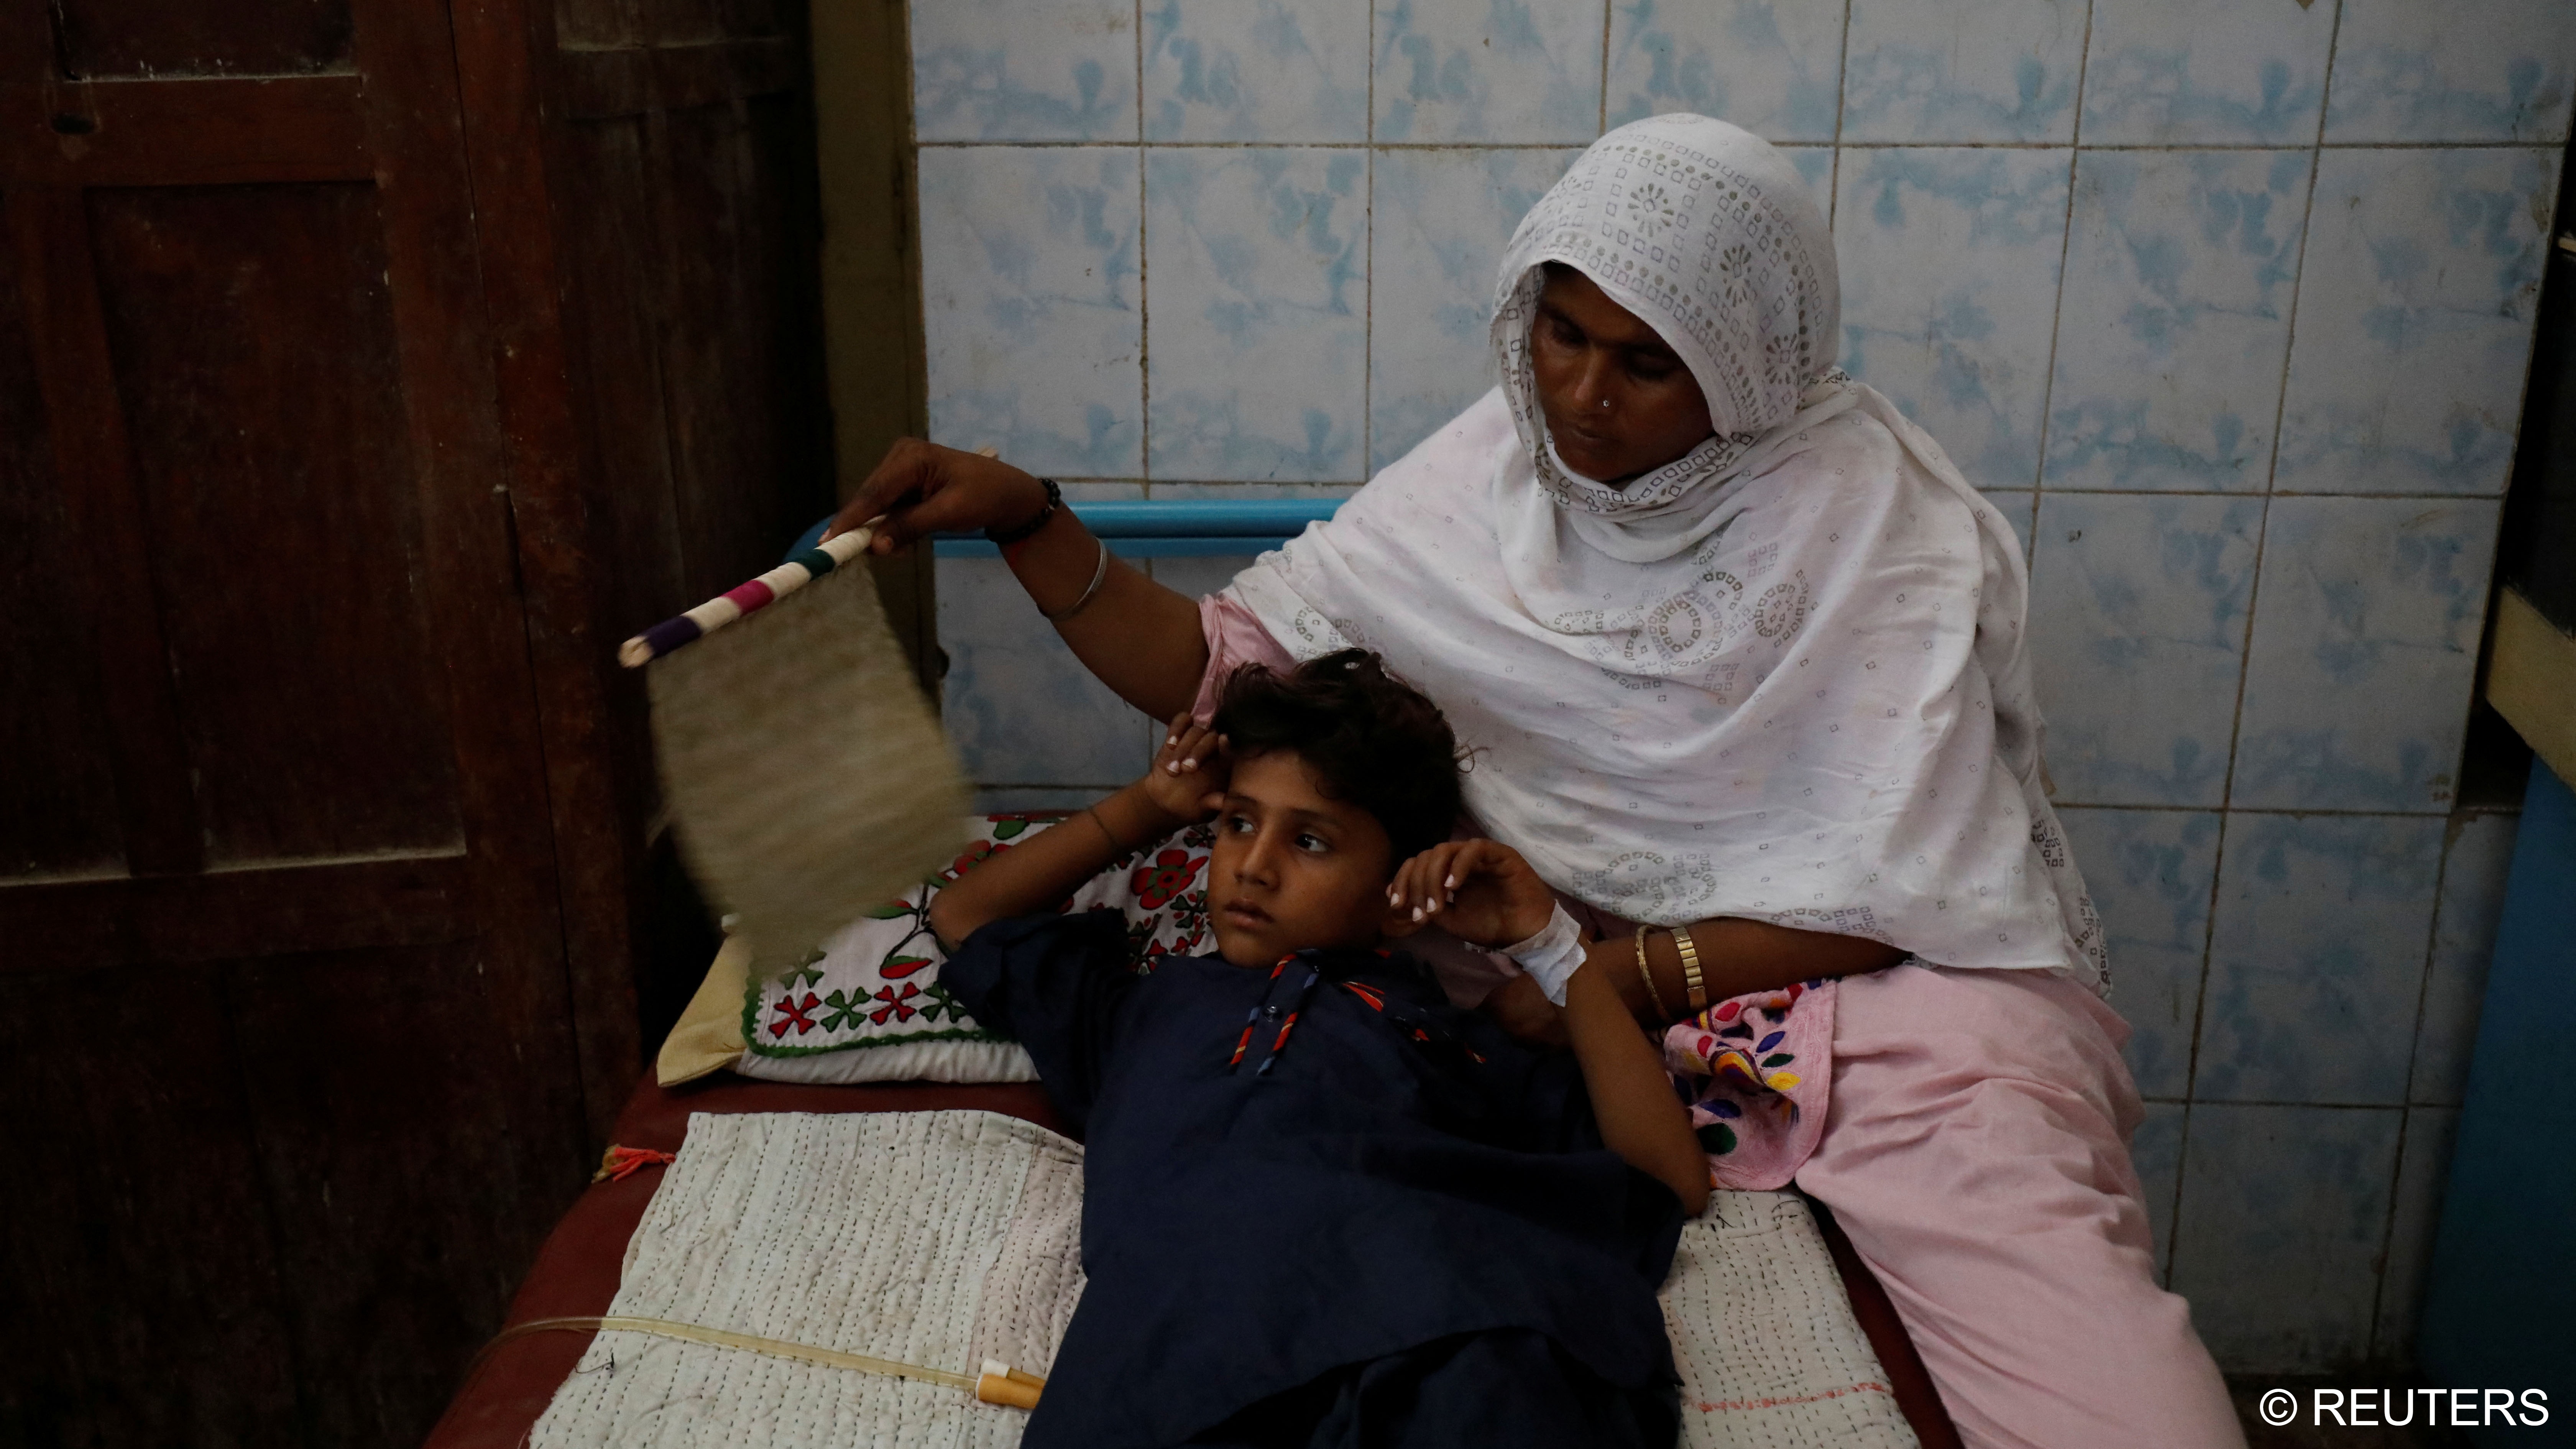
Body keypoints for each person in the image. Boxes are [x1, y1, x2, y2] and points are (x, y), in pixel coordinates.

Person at [843, 113, 2244, 1448]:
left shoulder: (1883, 527)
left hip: (1884, 1002)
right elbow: (1228, 678)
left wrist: (1609, 978)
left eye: (1646, 363)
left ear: (1748, 365)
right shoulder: (1486, 481)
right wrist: (1027, 518)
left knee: (2112, 1395)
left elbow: (1916, 891)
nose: (1581, 395)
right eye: (1562, 335)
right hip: (1541, 986)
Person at [928, 650, 1703, 1448]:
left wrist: (1552, 949)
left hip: (1435, 1312)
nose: (1253, 868)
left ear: (1400, 900)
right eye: (1236, 824)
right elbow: (965, 916)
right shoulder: (1143, 1008)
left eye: (1311, 843)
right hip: (1179, 1337)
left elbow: (1667, 1181)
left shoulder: (1451, 1041)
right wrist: (1151, 807)